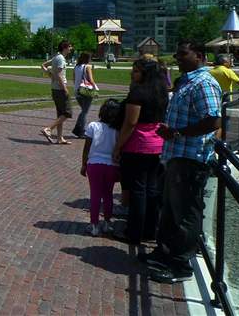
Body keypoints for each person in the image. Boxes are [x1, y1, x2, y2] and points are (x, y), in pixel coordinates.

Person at [142, 40, 222, 284]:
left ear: (199, 55)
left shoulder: (204, 82)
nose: (177, 58)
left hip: (191, 157)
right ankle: (165, 252)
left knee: (185, 212)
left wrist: (177, 133)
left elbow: (213, 121)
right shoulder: (189, 81)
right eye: (176, 54)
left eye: (182, 54)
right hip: (177, 155)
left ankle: (180, 265)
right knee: (170, 208)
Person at [112, 56, 169, 246]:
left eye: (135, 71)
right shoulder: (161, 91)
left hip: (138, 144)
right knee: (151, 190)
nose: (131, 74)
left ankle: (134, 232)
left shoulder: (138, 93)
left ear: (144, 73)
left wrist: (118, 146)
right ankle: (150, 231)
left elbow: (130, 122)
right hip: (157, 144)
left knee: (138, 190)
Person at [80, 99, 122, 236]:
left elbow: (87, 148)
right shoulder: (118, 130)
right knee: (108, 194)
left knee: (95, 195)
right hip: (111, 165)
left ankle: (94, 225)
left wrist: (83, 164)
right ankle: (108, 223)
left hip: (94, 164)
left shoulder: (93, 126)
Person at [40, 40, 73, 145]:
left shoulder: (56, 57)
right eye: (70, 46)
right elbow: (59, 75)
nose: (71, 48)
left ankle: (59, 138)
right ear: (65, 47)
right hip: (60, 89)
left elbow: (43, 65)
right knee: (67, 113)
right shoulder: (61, 59)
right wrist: (65, 88)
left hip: (54, 89)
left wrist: (50, 74)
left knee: (60, 114)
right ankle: (49, 129)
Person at [71, 52, 98, 138]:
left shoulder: (76, 67)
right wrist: (95, 89)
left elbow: (74, 80)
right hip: (85, 91)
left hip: (77, 91)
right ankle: (80, 130)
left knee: (83, 111)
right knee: (84, 112)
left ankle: (79, 129)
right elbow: (90, 79)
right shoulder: (87, 67)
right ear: (88, 59)